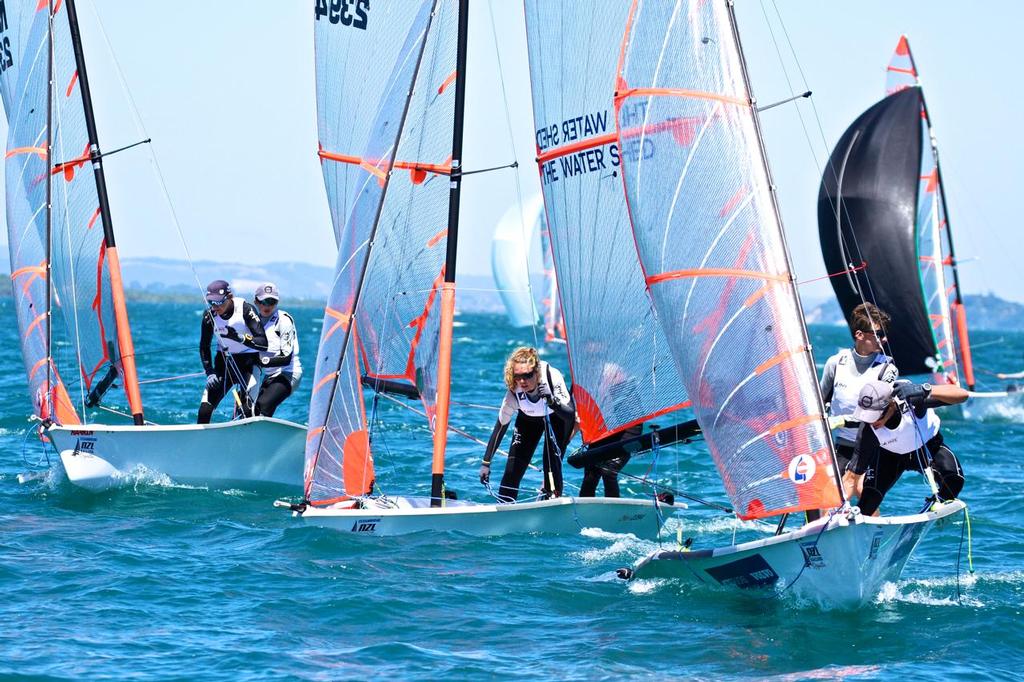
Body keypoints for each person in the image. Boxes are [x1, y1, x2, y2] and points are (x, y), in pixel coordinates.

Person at [843, 371, 968, 516]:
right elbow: (851, 478)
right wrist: (833, 514)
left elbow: (962, 395)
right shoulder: (868, 431)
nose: (872, 422)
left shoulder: (913, 401)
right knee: (868, 500)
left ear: (890, 406)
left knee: (954, 481)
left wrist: (925, 389)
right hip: (890, 457)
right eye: (868, 416)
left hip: (928, 448)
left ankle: (934, 506)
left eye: (876, 417)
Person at [478, 347, 576, 502]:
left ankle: (551, 502)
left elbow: (570, 414)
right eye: (518, 376)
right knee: (513, 469)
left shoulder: (552, 376)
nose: (522, 381)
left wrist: (552, 401)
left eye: (527, 375)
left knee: (551, 464)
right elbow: (500, 428)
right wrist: (486, 463)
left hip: (557, 417)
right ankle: (505, 509)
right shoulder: (513, 391)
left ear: (536, 372)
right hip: (528, 420)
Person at [819, 302, 896, 476]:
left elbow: (878, 413)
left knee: (866, 496)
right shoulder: (836, 363)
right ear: (859, 335)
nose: (884, 339)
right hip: (841, 445)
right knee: (828, 498)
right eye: (879, 334)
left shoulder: (887, 368)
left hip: (872, 445)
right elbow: (820, 401)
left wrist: (840, 420)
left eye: (885, 334)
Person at [197, 279, 268, 424]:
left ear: (229, 297)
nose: (215, 307)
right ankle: (200, 441)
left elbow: (263, 343)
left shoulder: (245, 309)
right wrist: (209, 371)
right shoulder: (209, 316)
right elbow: (204, 346)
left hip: (249, 364)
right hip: (224, 364)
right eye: (211, 302)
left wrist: (240, 338)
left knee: (247, 410)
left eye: (218, 302)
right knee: (204, 410)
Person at [252, 283, 302, 417]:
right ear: (256, 301)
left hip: (288, 373)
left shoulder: (283, 320)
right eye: (264, 301)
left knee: (262, 406)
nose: (267, 306)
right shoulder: (253, 322)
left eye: (272, 301)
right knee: (251, 410)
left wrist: (259, 361)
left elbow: (285, 358)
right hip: (269, 376)